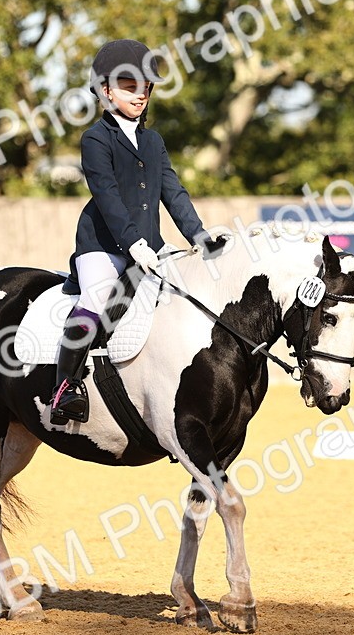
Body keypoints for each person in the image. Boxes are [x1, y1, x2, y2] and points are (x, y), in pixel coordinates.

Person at [49, 39, 226, 425]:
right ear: (105, 91)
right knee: (95, 301)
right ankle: (63, 389)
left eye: (145, 86)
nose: (140, 94)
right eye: (129, 86)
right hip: (104, 246)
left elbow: (173, 192)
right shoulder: (95, 139)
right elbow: (108, 197)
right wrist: (133, 243)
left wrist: (200, 239)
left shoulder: (153, 141)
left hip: (151, 246)